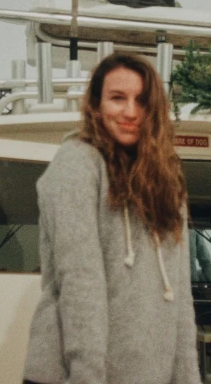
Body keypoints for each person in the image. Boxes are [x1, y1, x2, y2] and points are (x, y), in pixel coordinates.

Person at [22, 53, 201, 384]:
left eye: (141, 101)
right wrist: (87, 376)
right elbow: (80, 280)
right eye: (117, 98)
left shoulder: (167, 181)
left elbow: (180, 293)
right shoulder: (77, 163)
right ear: (96, 104)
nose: (131, 112)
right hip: (74, 373)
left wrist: (188, 377)